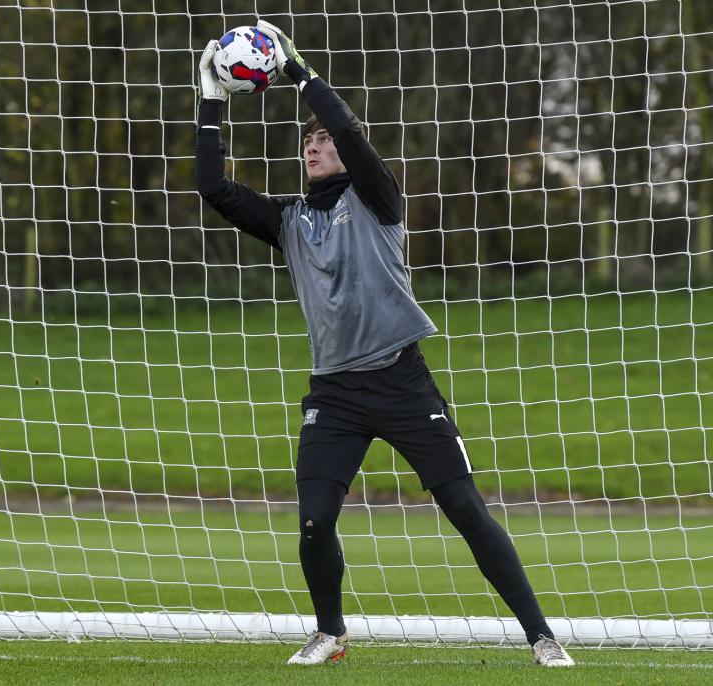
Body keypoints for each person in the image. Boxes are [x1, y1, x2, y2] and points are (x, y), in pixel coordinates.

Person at [194, 19, 574, 668]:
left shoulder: (378, 200)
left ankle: (542, 635)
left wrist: (298, 72)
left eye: (322, 141)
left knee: (465, 510)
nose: (314, 147)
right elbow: (214, 188)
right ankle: (330, 632)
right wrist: (210, 97)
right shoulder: (290, 222)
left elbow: (347, 129)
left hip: (402, 381)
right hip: (336, 394)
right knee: (313, 521)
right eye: (306, 143)